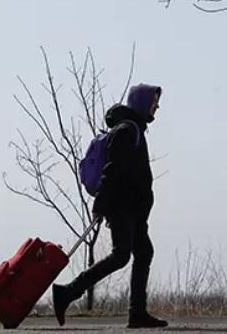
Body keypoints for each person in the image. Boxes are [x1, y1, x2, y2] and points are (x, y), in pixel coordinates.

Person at [52, 84, 168, 329]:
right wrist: (101, 204)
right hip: (123, 206)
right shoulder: (127, 130)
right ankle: (67, 293)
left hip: (133, 208)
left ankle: (137, 313)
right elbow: (112, 170)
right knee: (121, 256)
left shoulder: (132, 128)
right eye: (153, 102)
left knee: (142, 253)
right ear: (141, 102)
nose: (156, 107)